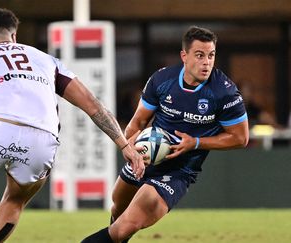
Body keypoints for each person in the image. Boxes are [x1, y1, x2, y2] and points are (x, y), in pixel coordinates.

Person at [0, 8, 145, 243]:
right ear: (14, 36)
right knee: (14, 201)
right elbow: (94, 106)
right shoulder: (45, 59)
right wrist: (124, 144)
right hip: (43, 140)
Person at [81, 26, 249, 242]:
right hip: (146, 156)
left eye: (211, 55)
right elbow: (138, 122)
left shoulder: (224, 92)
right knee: (117, 207)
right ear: (184, 56)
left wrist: (195, 142)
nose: (206, 62)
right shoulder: (162, 80)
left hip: (178, 171)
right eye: (199, 55)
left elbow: (240, 138)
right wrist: (131, 150)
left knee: (123, 228)